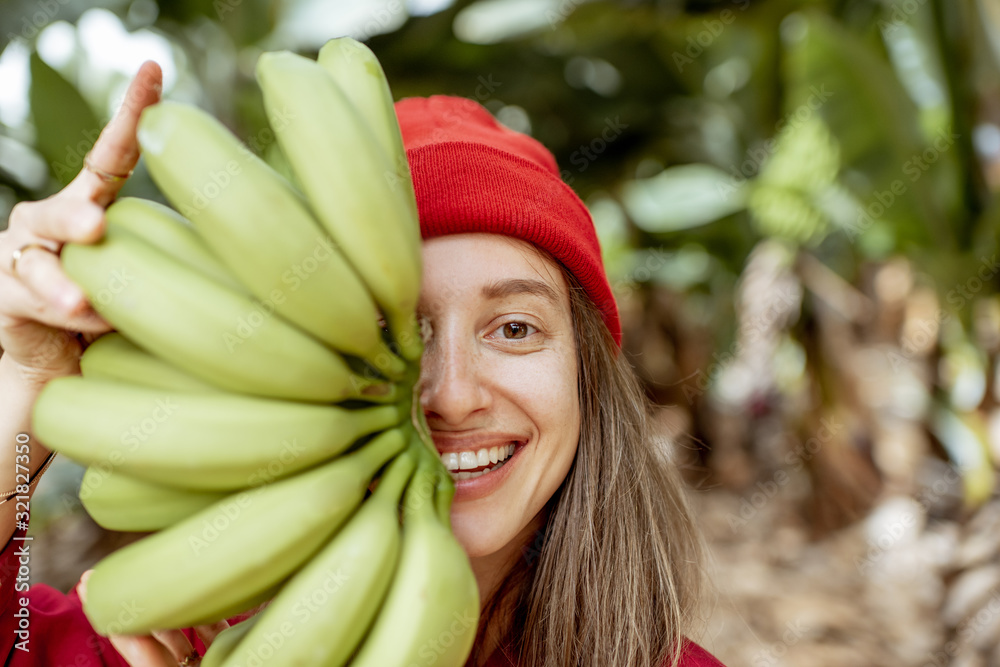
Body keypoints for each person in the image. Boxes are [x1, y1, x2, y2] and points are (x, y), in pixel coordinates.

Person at [0, 62, 726, 667]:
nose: (451, 395)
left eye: (513, 326)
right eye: (393, 330)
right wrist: (26, 383)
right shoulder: (151, 640)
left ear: (585, 376)